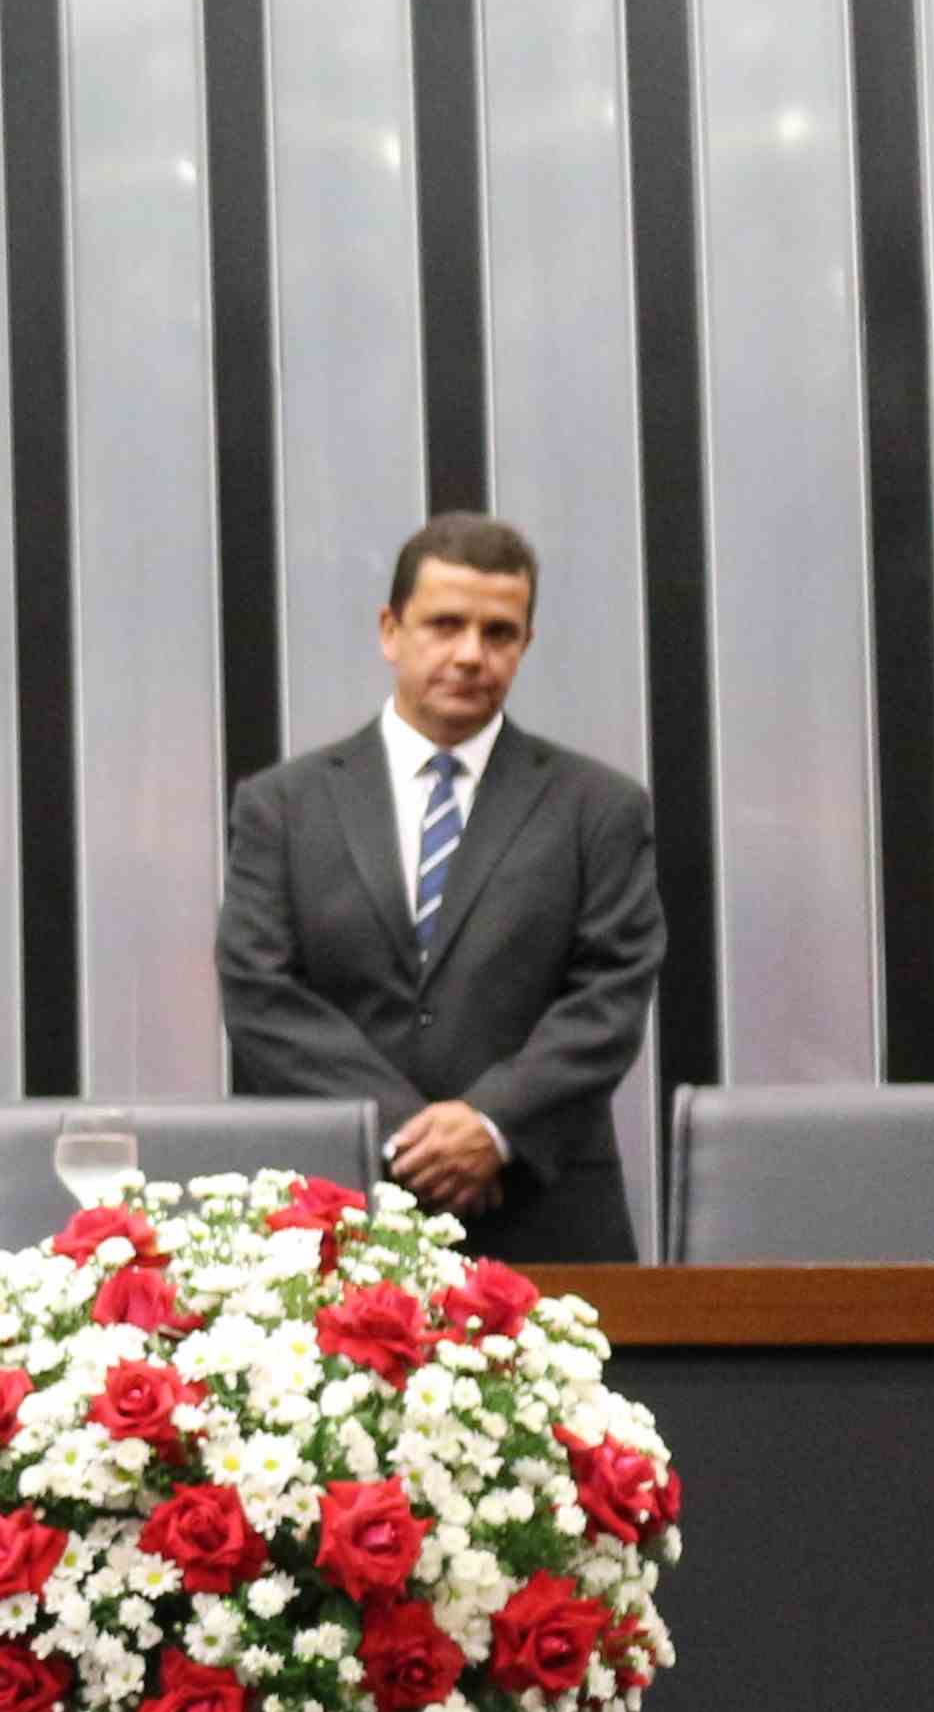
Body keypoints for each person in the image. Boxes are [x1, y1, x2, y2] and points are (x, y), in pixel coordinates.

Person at [220, 512, 660, 1264]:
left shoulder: (599, 808)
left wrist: (490, 1124)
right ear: (390, 630)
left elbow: (610, 997)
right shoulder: (283, 806)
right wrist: (408, 1134)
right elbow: (261, 995)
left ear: (524, 643)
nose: (469, 654)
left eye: (498, 633)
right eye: (445, 624)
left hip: (541, 1213)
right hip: (335, 1217)